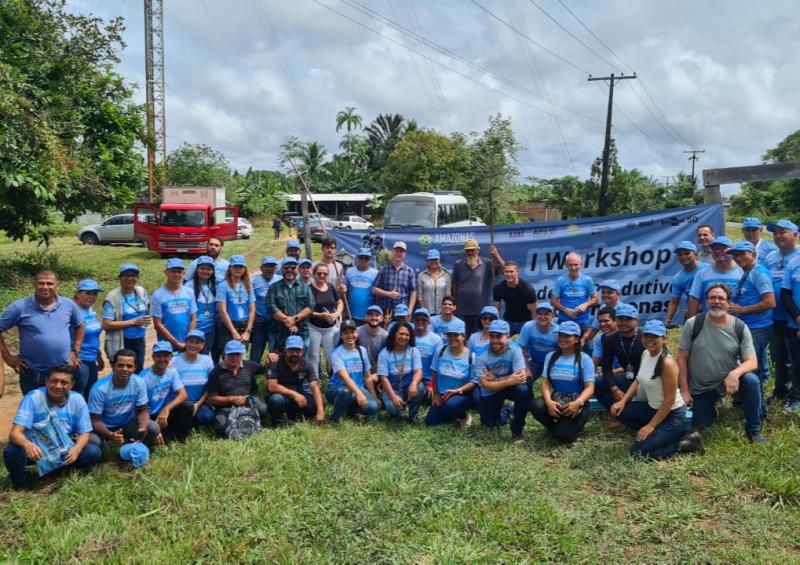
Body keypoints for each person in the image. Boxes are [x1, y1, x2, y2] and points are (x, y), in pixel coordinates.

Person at [678, 284, 765, 443]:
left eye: (721, 298)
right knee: (701, 424)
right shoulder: (693, 324)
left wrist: (735, 373)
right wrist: (684, 390)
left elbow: (752, 362)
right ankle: (712, 406)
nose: (716, 301)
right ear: (706, 301)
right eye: (712, 298)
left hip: (729, 382)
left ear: (728, 302)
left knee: (752, 380)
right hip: (701, 387)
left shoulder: (739, 326)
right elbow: (682, 358)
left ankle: (754, 429)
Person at [611, 320, 702, 459]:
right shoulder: (646, 354)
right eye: (646, 336)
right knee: (621, 412)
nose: (649, 340)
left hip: (674, 415)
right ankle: (658, 435)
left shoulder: (667, 363)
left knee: (636, 454)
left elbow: (669, 399)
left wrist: (651, 426)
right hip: (654, 409)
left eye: (654, 337)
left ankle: (684, 444)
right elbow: (638, 379)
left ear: (664, 339)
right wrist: (622, 401)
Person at [3, 365, 101, 490]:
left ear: (72, 385)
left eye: (64, 382)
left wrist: (76, 449)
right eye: (54, 381)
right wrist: (28, 445)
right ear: (46, 381)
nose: (58, 386)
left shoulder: (77, 399)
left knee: (93, 451)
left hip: (63, 448)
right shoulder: (33, 398)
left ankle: (61, 471)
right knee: (12, 451)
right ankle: (21, 485)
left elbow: (85, 433)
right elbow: (14, 434)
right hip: (36, 449)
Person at [0, 269, 83, 395]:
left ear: (57, 286)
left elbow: (79, 326)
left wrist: (75, 351)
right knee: (36, 411)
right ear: (34, 285)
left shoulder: (68, 305)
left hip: (62, 373)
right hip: (32, 374)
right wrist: (8, 357)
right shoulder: (20, 307)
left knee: (60, 410)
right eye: (41, 283)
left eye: (49, 283)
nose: (45, 287)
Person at [530, 321, 595, 444]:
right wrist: (549, 402)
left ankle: (564, 429)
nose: (562, 339)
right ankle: (556, 428)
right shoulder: (550, 356)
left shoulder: (585, 359)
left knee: (564, 437)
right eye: (560, 335)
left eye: (567, 336)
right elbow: (545, 382)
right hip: (557, 400)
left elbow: (590, 387)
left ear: (576, 339)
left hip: (577, 404)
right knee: (535, 405)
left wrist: (578, 403)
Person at [87, 349, 160, 449]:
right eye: (120, 365)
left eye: (129, 366)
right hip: (104, 426)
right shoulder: (99, 388)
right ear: (113, 366)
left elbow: (143, 409)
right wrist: (110, 435)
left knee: (153, 427)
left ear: (135, 368)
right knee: (94, 445)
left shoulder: (139, 382)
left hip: (126, 424)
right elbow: (94, 420)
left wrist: (141, 430)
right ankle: (109, 442)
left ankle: (134, 447)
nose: (125, 369)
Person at [726, 241, 775, 384]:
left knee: (753, 368)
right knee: (746, 364)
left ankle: (758, 405)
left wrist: (742, 310)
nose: (737, 257)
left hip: (758, 327)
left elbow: (770, 302)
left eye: (741, 253)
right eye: (735, 255)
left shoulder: (760, 273)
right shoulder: (747, 272)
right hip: (748, 326)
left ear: (753, 254)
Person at [476, 320, 529, 442]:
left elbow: (521, 376)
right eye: (492, 336)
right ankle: (508, 409)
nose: (494, 341)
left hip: (507, 386)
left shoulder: (515, 349)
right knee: (489, 424)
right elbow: (486, 385)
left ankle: (517, 430)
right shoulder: (480, 354)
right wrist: (509, 380)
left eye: (499, 336)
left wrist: (497, 379)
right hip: (491, 391)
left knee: (523, 390)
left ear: (508, 337)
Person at [765, 219, 800, 404]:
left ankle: (796, 395)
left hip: (794, 318)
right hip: (774, 316)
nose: (778, 236)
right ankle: (780, 391)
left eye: (783, 232)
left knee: (796, 359)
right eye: (775, 233)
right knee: (778, 357)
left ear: (795, 234)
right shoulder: (771, 256)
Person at [207, 340, 268, 437]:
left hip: (247, 401)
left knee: (263, 409)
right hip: (226, 406)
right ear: (225, 354)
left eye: (238, 354)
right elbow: (211, 399)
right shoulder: (216, 372)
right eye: (231, 355)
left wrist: (271, 358)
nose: (235, 358)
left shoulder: (249, 365)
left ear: (242, 354)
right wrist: (231, 399)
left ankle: (252, 422)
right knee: (220, 427)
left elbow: (266, 369)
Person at [426, 319, 478, 427]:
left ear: (463, 337)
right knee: (431, 422)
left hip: (461, 394)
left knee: (451, 405)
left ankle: (464, 416)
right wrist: (435, 393)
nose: (452, 338)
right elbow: (435, 372)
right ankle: (451, 412)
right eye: (449, 335)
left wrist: (457, 391)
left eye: (456, 335)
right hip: (442, 394)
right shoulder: (441, 351)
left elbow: (474, 382)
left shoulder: (471, 357)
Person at [101, 263, 150, 373]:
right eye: (126, 275)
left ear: (137, 278)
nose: (129, 278)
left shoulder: (141, 291)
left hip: (139, 340)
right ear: (120, 278)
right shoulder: (113, 296)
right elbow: (106, 324)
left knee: (138, 370)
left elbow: (147, 308)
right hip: (122, 341)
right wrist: (134, 322)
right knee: (123, 373)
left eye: (133, 275)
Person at [326, 320, 379, 422]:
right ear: (341, 336)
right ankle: (334, 418)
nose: (350, 335)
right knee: (346, 391)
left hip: (357, 388)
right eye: (346, 333)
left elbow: (367, 377)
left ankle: (349, 410)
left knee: (373, 407)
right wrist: (359, 393)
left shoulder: (362, 351)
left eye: (352, 332)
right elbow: (345, 377)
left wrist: (374, 396)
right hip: (337, 390)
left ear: (357, 334)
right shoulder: (336, 353)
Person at [266, 336, 325, 426]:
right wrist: (294, 394)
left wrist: (321, 412)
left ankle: (296, 417)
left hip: (298, 396)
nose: (294, 354)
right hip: (282, 396)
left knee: (317, 404)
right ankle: (276, 422)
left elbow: (314, 386)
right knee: (276, 400)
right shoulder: (275, 362)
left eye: (297, 351)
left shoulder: (307, 364)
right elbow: (272, 386)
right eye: (291, 351)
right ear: (285, 350)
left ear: (302, 351)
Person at [140, 342, 193, 443]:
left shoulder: (172, 372)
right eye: (158, 356)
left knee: (188, 406)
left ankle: (180, 438)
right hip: (150, 415)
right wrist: (155, 427)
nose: (162, 359)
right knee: (150, 434)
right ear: (153, 357)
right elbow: (141, 407)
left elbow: (183, 394)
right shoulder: (143, 377)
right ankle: (157, 432)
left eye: (166, 356)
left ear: (171, 357)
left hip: (166, 413)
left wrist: (166, 409)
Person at [597, 304, 644, 412]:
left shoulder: (645, 338)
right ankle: (614, 412)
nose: (623, 323)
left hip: (647, 381)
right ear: (616, 320)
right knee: (598, 382)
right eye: (620, 319)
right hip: (629, 378)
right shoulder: (610, 339)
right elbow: (606, 367)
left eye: (628, 319)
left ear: (636, 320)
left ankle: (628, 410)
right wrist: (615, 389)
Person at [451, 239, 505, 334]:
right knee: (461, 337)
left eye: (472, 250)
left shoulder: (487, 263)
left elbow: (505, 270)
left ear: (478, 250)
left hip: (480, 312)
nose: (470, 252)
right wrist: (454, 302)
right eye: (468, 250)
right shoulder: (458, 264)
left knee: (477, 339)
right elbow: (454, 285)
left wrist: (496, 255)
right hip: (461, 310)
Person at [377, 322, 425, 422]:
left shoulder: (413, 351)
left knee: (419, 387)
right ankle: (395, 407)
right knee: (393, 409)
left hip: (408, 387)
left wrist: (414, 383)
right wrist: (393, 397)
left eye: (407, 335)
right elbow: (383, 378)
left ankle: (413, 416)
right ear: (394, 334)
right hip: (392, 389)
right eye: (401, 334)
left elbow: (419, 371)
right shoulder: (384, 353)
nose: (404, 337)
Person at [687, 237, 743, 317]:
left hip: (736, 324)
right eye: (714, 249)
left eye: (722, 248)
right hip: (709, 322)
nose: (717, 251)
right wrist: (692, 321)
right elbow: (694, 299)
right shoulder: (702, 273)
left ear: (731, 251)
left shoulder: (742, 272)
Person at [150, 258, 198, 352]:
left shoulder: (189, 292)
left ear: (183, 274)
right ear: (166, 272)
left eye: (179, 272)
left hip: (187, 343)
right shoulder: (157, 295)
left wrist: (188, 339)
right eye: (173, 271)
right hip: (166, 345)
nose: (176, 274)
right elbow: (158, 324)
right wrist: (176, 343)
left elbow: (193, 318)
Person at [268, 257, 315, 351]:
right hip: (279, 334)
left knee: (301, 362)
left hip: (301, 332)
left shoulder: (305, 288)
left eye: (293, 268)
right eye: (286, 268)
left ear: (297, 269)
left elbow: (311, 306)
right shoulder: (273, 288)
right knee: (278, 363)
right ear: (281, 269)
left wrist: (295, 319)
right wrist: (288, 321)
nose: (289, 270)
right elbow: (270, 307)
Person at [172, 330, 215, 426]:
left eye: (198, 342)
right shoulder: (174, 360)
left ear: (203, 345)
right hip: (180, 402)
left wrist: (197, 405)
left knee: (207, 418)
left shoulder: (207, 360)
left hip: (199, 402)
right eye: (191, 341)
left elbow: (210, 386)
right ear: (185, 342)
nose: (193, 345)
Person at [308, 263, 344, 377]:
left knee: (332, 355)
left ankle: (333, 379)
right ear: (314, 274)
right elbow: (306, 310)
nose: (322, 275)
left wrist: (337, 313)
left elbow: (340, 302)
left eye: (325, 273)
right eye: (319, 273)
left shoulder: (331, 287)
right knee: (314, 356)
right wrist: (320, 315)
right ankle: (314, 381)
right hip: (314, 328)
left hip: (330, 329)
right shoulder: (309, 289)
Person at [216, 255, 256, 354]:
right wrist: (233, 332)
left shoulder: (248, 285)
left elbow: (252, 310)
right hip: (228, 327)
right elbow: (222, 311)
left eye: (241, 267)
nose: (238, 269)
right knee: (229, 357)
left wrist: (248, 331)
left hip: (244, 326)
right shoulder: (223, 285)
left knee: (242, 357)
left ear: (244, 269)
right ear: (230, 268)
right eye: (235, 266)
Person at [549, 252, 597, 334]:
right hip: (564, 321)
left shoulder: (587, 280)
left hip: (583, 322)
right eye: (570, 265)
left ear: (581, 264)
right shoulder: (560, 280)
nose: (573, 267)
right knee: (564, 346)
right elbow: (553, 301)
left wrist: (585, 305)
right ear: (566, 265)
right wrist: (565, 310)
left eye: (576, 264)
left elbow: (596, 299)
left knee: (587, 346)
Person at [665, 241, 710, 328]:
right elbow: (674, 301)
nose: (683, 257)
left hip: (712, 311)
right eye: (680, 255)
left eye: (687, 253)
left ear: (696, 254)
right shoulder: (678, 278)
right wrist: (668, 319)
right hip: (693, 314)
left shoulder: (709, 268)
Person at [73, 279, 104, 398]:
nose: (92, 296)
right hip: (80, 360)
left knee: (91, 392)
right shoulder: (73, 312)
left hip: (91, 359)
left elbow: (94, 336)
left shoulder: (90, 311)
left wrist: (98, 355)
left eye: (94, 294)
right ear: (78, 293)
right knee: (79, 394)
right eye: (88, 293)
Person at [373, 241, 417, 317]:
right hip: (385, 311)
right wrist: (388, 294)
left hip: (403, 312)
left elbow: (413, 292)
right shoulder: (384, 270)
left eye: (401, 252)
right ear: (392, 252)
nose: (398, 253)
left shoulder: (410, 272)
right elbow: (375, 289)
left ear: (405, 254)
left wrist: (409, 311)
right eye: (397, 251)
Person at [185, 255, 218, 357]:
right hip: (195, 330)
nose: (205, 271)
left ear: (212, 271)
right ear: (197, 269)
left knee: (205, 356)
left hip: (210, 329)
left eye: (208, 269)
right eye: (202, 268)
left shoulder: (214, 285)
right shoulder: (188, 286)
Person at [492, 261, 537, 335]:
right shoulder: (498, 288)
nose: (509, 274)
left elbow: (534, 311)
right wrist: (497, 324)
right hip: (508, 322)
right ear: (503, 273)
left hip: (525, 323)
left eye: (511, 271)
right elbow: (495, 309)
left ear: (517, 272)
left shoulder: (527, 288)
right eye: (506, 272)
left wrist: (532, 328)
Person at [251, 256, 281, 363]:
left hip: (276, 322)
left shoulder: (280, 280)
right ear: (261, 268)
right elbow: (249, 301)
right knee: (256, 351)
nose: (270, 269)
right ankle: (253, 376)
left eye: (272, 266)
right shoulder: (253, 281)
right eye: (267, 266)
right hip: (260, 321)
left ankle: (274, 374)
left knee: (276, 351)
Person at [518, 302, 560, 380]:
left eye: (546, 314)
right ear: (536, 315)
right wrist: (526, 369)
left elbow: (563, 352)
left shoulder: (558, 331)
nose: (542, 317)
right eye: (539, 314)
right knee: (524, 381)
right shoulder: (528, 327)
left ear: (552, 316)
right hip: (534, 362)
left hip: (553, 363)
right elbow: (521, 348)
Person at [581, 279, 622, 345]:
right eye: (603, 292)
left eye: (609, 292)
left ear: (618, 294)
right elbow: (594, 329)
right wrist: (583, 339)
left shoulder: (624, 309)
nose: (605, 295)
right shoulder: (602, 307)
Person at [411, 308, 444, 391]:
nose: (420, 321)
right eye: (417, 319)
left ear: (429, 322)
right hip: (411, 377)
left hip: (429, 378)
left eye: (424, 320)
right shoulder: (407, 337)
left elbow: (440, 363)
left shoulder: (436, 339)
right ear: (413, 321)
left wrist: (432, 383)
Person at [346, 248, 379, 324]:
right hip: (351, 314)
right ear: (358, 258)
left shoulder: (375, 273)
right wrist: (344, 310)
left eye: (366, 258)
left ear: (370, 259)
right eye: (361, 257)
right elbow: (345, 292)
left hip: (369, 316)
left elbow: (377, 296)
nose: (363, 260)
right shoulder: (349, 272)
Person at [417, 249, 452, 315]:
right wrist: (425, 312)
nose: (433, 262)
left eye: (435, 259)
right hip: (427, 313)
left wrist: (446, 311)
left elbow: (448, 295)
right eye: (431, 259)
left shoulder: (446, 275)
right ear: (427, 261)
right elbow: (420, 297)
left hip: (443, 313)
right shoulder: (421, 276)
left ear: (439, 260)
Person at [357, 305, 388, 371]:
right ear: (366, 317)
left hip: (378, 369)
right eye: (371, 315)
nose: (374, 317)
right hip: (358, 366)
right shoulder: (357, 332)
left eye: (377, 315)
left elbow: (386, 357)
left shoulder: (386, 336)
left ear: (382, 318)